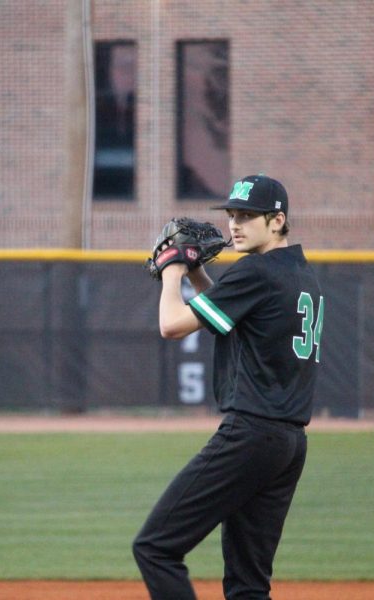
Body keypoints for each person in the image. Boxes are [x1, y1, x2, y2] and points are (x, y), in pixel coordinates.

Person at [132, 174, 324, 600]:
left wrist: (174, 271)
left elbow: (172, 325)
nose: (235, 224)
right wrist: (199, 273)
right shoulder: (299, 273)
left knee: (155, 548)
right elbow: (231, 320)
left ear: (277, 221)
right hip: (288, 444)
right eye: (232, 214)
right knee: (248, 586)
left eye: (248, 216)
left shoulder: (255, 271)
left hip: (250, 436)